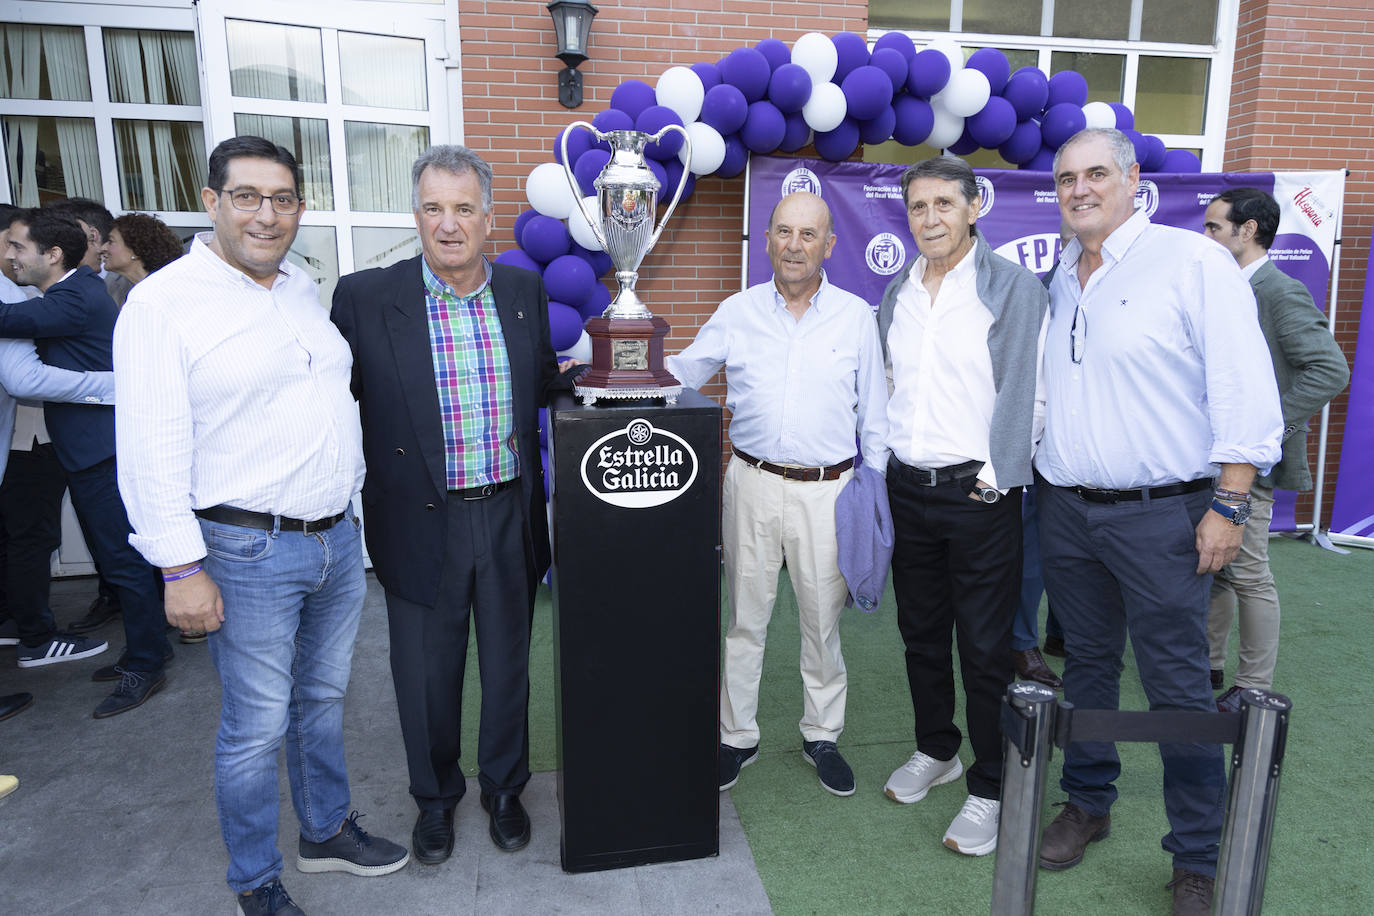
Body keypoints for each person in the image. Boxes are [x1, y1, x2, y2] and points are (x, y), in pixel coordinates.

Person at [115, 136, 409, 915]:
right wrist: (179, 568)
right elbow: (146, 448)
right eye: (247, 195)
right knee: (253, 727)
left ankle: (324, 830)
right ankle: (255, 879)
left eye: (282, 199)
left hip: (333, 541)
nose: (266, 214)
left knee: (321, 698)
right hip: (242, 549)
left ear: (299, 209)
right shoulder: (163, 303)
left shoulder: (299, 291)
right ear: (211, 202)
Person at [1034, 128, 1282, 916]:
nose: (1080, 189)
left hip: (1165, 516)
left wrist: (1230, 502)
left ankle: (1197, 857)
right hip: (1068, 513)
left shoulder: (1193, 263)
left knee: (1178, 687)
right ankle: (1089, 803)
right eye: (1067, 178)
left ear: (1132, 179)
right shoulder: (1066, 277)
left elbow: (1244, 383)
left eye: (1096, 173)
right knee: (1089, 669)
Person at [332, 145, 583, 865]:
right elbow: (322, 398)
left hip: (506, 513)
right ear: (416, 216)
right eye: (434, 208)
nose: (449, 224)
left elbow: (540, 383)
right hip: (418, 520)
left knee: (508, 667)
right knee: (425, 676)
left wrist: (602, 384)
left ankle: (504, 791)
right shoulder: (364, 298)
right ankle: (435, 800)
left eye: (464, 208)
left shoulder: (519, 291)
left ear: (488, 217)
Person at [666, 191, 887, 800]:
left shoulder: (855, 317)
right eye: (784, 232)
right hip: (753, 484)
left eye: (808, 235)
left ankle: (822, 734)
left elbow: (876, 417)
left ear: (829, 246)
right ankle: (736, 736)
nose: (795, 245)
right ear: (766, 239)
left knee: (822, 625)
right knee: (744, 620)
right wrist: (610, 366)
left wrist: (875, 493)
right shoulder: (736, 312)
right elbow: (685, 369)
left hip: (830, 493)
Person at [876, 157, 1045, 857]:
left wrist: (996, 480)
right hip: (909, 490)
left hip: (981, 495)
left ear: (975, 207)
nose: (930, 219)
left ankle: (993, 785)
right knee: (920, 635)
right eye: (918, 207)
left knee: (983, 648)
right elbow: (892, 389)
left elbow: (1029, 392)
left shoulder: (1011, 287)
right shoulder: (898, 291)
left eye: (945, 204)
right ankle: (936, 749)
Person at [0, 210, 171, 717]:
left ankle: (146, 662)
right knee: (124, 560)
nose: (9, 257)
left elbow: (7, 319)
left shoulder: (74, 296)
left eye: (17, 248)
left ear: (52, 256)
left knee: (125, 561)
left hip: (102, 452)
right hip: (95, 450)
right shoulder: (69, 293)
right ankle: (146, 650)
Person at [1201, 187, 1349, 710]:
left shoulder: (1278, 290)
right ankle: (1210, 666)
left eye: (1215, 227)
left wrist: (1264, 427)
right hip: (1214, 457)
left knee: (1247, 572)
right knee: (1215, 568)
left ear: (1248, 231)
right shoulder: (1224, 287)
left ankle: (1253, 685)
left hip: (1252, 463)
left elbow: (1329, 370)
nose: (1207, 236)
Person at [0, 206, 119, 671]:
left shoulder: (60, 293)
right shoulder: (17, 298)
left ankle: (23, 625)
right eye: (9, 244)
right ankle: (34, 634)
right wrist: (109, 385)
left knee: (32, 535)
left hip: (44, 437)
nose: (13, 255)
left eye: (17, 245)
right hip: (29, 438)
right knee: (32, 536)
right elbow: (25, 381)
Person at [46, 197, 127, 635]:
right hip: (83, 442)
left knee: (123, 547)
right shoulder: (77, 288)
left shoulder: (93, 292)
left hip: (108, 439)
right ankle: (113, 595)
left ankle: (150, 637)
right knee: (106, 541)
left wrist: (111, 388)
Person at [104, 213, 186, 285]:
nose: (103, 248)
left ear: (136, 250)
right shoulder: (116, 289)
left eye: (111, 241)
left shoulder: (165, 290)